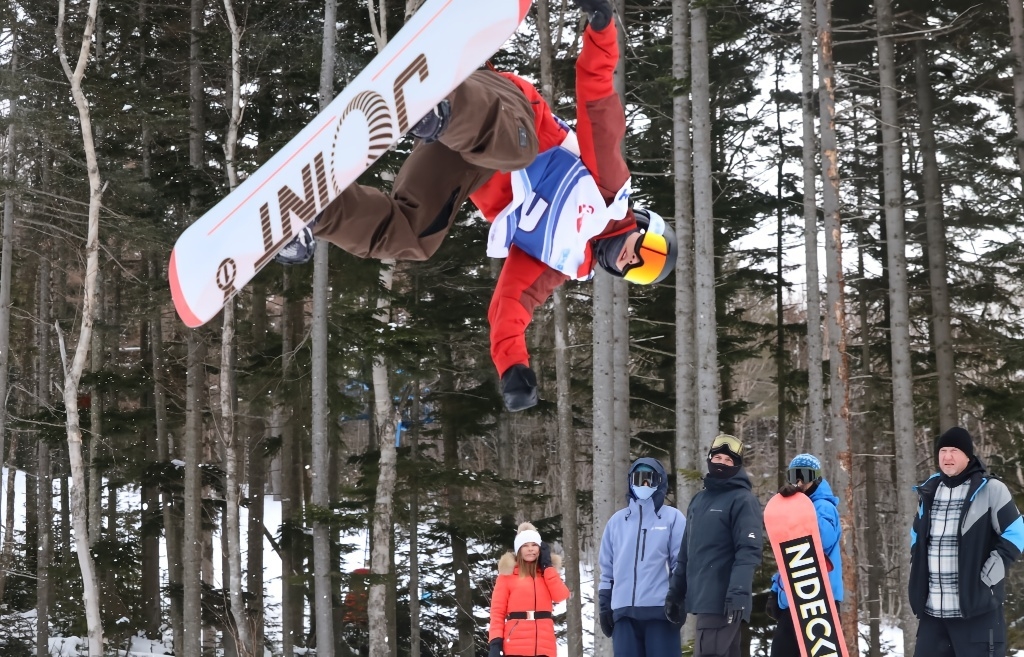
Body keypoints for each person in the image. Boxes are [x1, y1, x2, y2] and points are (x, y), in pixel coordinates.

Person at [274, 0, 677, 413]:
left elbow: (510, 307)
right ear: (641, 223)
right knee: (518, 151)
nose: (633, 260)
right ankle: (438, 101)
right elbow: (598, 104)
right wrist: (602, 32)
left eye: (641, 271)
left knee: (415, 238)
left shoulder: (557, 261)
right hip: (504, 112)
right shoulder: (608, 191)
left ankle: (313, 210)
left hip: (462, 158)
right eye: (648, 249)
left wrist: (513, 367)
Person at [909, 426, 1024, 657]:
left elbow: (1016, 532)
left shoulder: (991, 489)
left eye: (954, 451)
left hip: (976, 613)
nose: (947, 456)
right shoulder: (931, 489)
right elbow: (916, 535)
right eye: (943, 451)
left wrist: (991, 572)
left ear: (968, 456)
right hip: (933, 613)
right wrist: (916, 563)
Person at [663, 434, 763, 657]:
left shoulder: (742, 500)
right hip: (703, 599)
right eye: (718, 458)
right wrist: (675, 593)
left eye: (728, 460)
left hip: (724, 601)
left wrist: (737, 593)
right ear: (709, 459)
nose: (722, 463)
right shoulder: (699, 500)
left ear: (737, 466)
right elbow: (686, 553)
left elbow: (748, 551)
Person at [597, 457, 687, 656]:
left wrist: (678, 599)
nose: (644, 484)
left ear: (659, 482)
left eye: (649, 479)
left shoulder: (672, 518)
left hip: (661, 613)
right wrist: (604, 605)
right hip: (624, 614)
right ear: (630, 481)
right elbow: (607, 570)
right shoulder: (617, 522)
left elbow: (681, 564)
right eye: (638, 479)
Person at [765, 454, 843, 657]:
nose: (799, 482)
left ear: (816, 478)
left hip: (818, 598)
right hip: (794, 595)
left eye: (805, 476)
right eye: (794, 476)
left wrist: (800, 509)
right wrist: (776, 590)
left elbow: (822, 540)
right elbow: (788, 553)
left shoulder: (824, 507)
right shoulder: (796, 508)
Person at [487, 522, 570, 657]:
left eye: (534, 545)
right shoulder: (507, 575)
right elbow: (497, 612)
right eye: (525, 545)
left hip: (545, 646)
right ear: (518, 549)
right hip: (515, 646)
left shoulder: (547, 573)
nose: (530, 549)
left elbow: (561, 595)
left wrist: (548, 567)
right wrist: (495, 642)